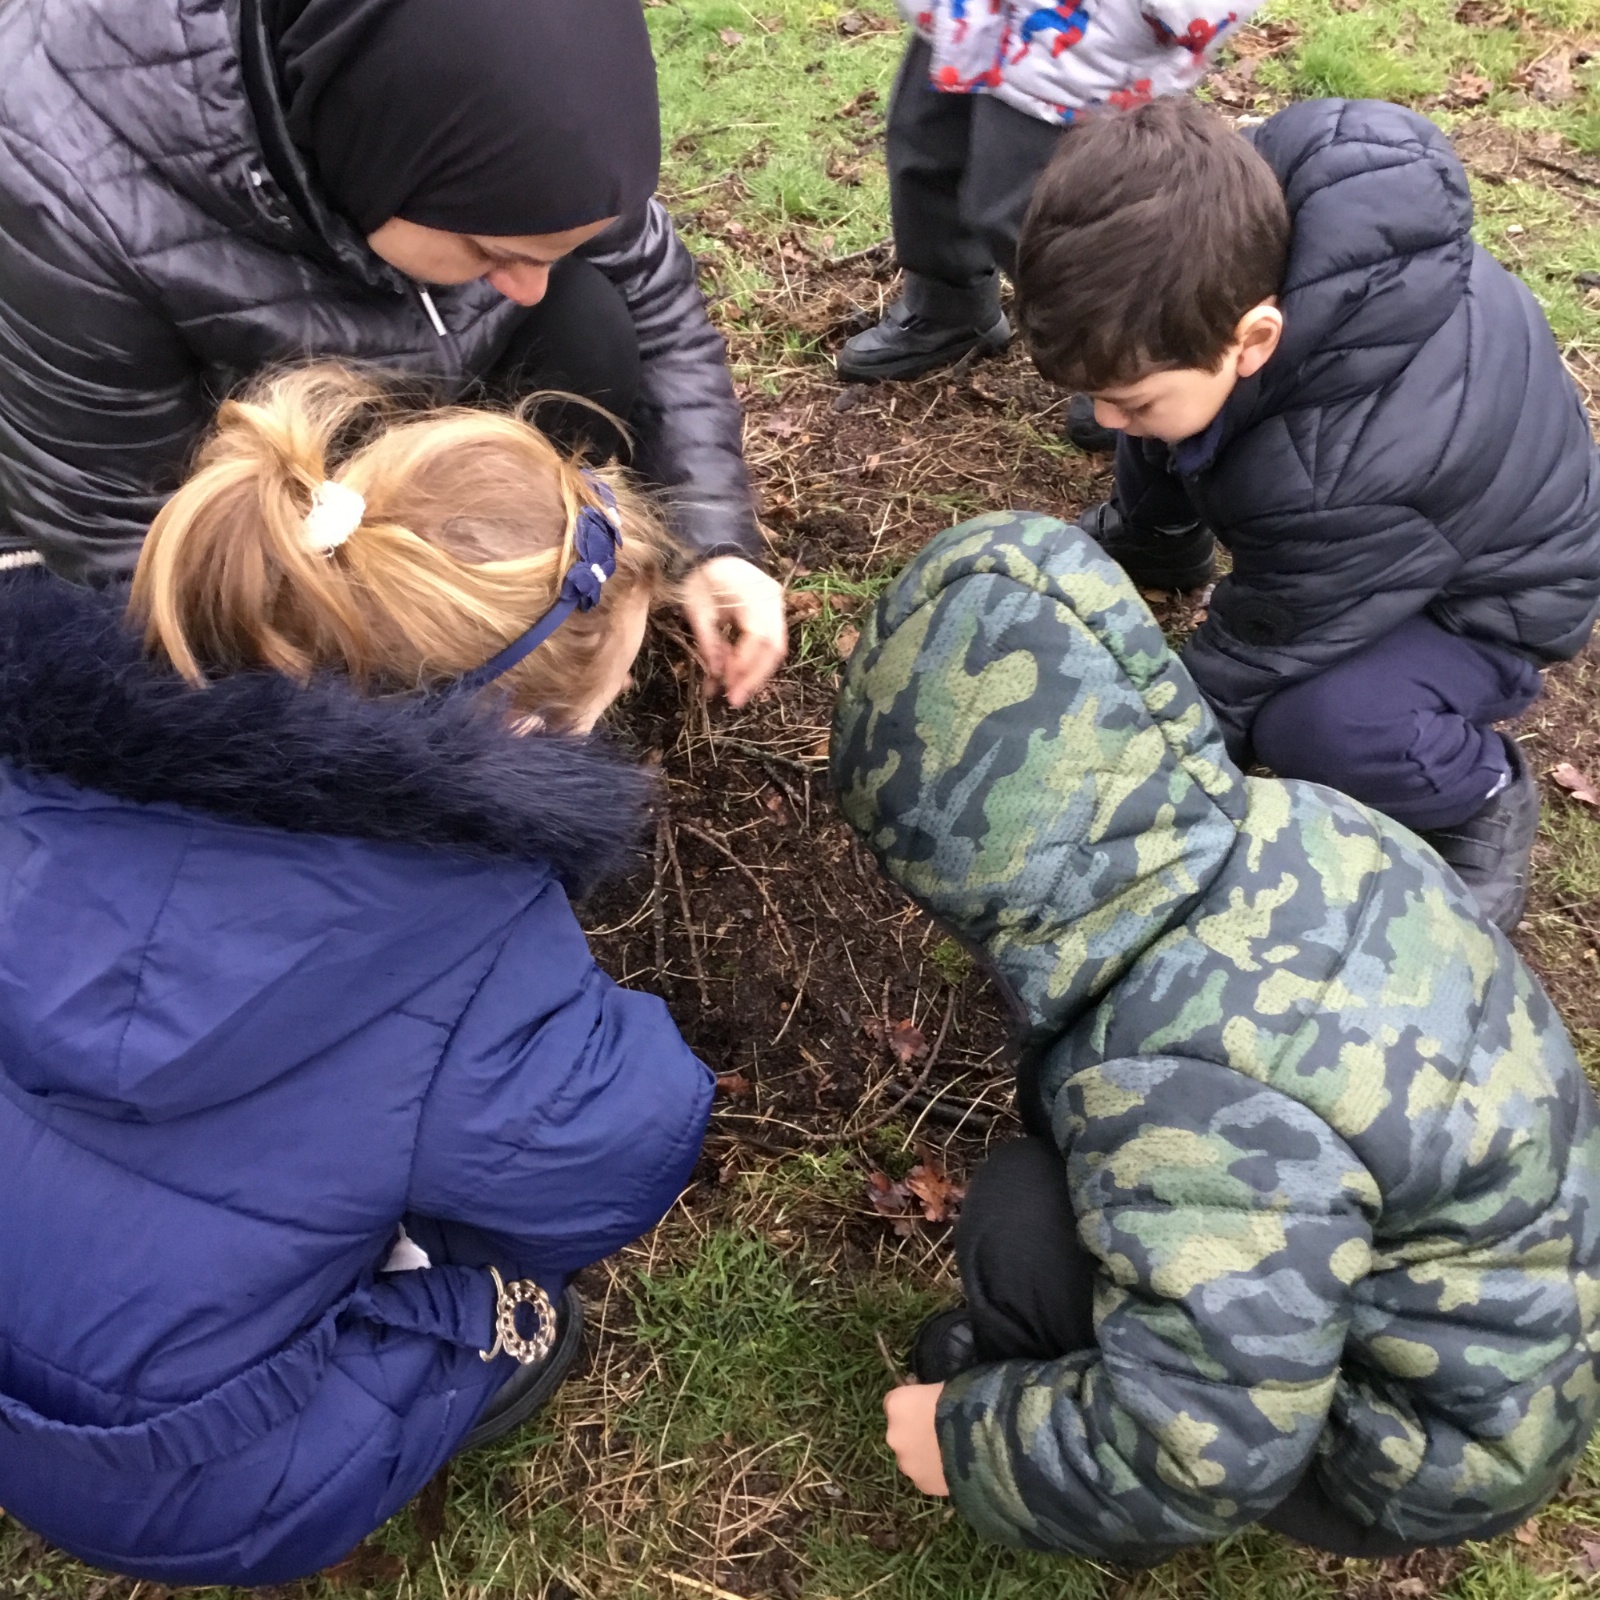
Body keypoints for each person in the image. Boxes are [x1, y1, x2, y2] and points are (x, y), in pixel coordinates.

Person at [0, 366, 715, 1586]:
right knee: (527, 1297)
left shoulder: (40, 768)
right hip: (177, 1481)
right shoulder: (475, 946)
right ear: (520, 743)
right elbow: (618, 1155)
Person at [830, 509, 1600, 1566]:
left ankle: (1055, 1387)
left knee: (1017, 1221)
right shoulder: (1302, 824)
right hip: (1530, 1320)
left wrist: (968, 1441)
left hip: (1437, 1447)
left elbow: (1201, 1453)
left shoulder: (1183, 1084)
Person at [0, 0, 784, 707]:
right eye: (492, 251)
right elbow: (123, 544)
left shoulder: (522, 105)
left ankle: (514, 626)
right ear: (378, 152)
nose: (530, 288)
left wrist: (712, 539)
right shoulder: (67, 192)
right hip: (210, 462)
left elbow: (651, 292)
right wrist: (381, 736)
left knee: (589, 323)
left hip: (378, 393)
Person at [1014, 96, 1600, 929]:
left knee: (1316, 725)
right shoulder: (1232, 224)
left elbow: (1262, 642)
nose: (1106, 416)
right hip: (1370, 506)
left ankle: (1476, 794)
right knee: (1169, 421)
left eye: (1129, 396)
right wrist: (1135, 402)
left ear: (1256, 339)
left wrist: (1142, 778)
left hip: (1489, 595)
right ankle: (1159, 540)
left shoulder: (1349, 475)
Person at [835, 0, 1255, 453]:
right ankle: (948, 307)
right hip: (969, 18)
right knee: (928, 151)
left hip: (1078, 44)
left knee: (1032, 210)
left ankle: (1126, 361)